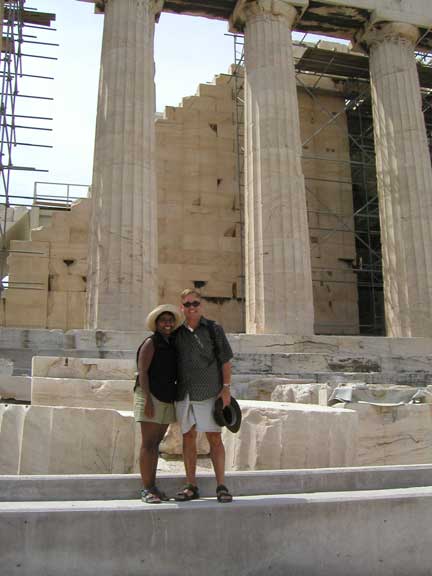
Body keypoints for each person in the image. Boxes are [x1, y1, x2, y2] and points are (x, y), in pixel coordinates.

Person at [174, 288, 234, 503]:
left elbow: (225, 360)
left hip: (209, 391)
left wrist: (226, 388)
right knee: (188, 437)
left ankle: (221, 486)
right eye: (187, 304)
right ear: (182, 307)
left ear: (201, 305)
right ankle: (191, 485)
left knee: (214, 437)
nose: (192, 308)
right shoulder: (177, 332)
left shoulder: (213, 329)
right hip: (184, 393)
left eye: (195, 303)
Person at [134, 304, 182, 504]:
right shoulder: (150, 342)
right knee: (148, 443)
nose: (167, 324)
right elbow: (142, 372)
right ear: (156, 323)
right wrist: (147, 400)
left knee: (155, 443)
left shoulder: (172, 343)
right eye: (163, 320)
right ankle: (147, 489)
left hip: (166, 396)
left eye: (170, 320)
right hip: (151, 396)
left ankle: (153, 486)